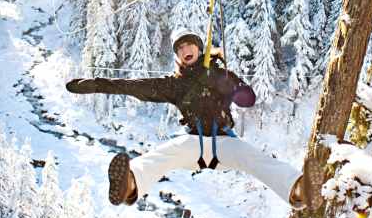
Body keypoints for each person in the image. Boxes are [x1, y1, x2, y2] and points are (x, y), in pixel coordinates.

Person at [65, 29, 305, 208]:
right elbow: (133, 86)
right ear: (177, 56)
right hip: (193, 144)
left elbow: (248, 99)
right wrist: (95, 85)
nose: (184, 50)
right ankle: (130, 183)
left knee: (253, 158)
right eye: (179, 48)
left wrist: (227, 82)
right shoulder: (175, 85)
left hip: (224, 143)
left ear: (199, 49)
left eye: (189, 45)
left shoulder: (218, 73)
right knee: (163, 154)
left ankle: (297, 188)